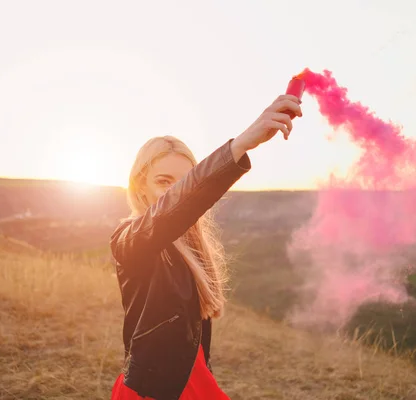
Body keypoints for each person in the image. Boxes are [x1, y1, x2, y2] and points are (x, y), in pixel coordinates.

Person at [109, 94, 303, 400]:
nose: (176, 192)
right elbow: (172, 210)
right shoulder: (129, 239)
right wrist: (240, 145)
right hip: (155, 390)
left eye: (185, 181)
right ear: (140, 188)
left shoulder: (190, 245)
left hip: (192, 381)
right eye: (164, 181)